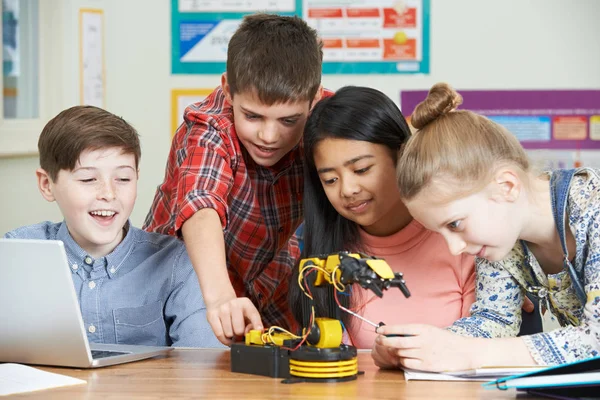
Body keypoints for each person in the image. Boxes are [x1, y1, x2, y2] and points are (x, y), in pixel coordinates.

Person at [376, 82, 600, 371]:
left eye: (455, 224)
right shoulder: (504, 237)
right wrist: (415, 348)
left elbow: (596, 339)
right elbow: (494, 320)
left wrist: (471, 355)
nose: (455, 248)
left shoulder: (593, 208)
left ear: (507, 186)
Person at [144, 13, 327, 345]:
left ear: (313, 100)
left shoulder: (329, 119)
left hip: (267, 275)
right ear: (228, 89)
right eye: (252, 116)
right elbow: (201, 203)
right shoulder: (207, 129)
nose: (269, 135)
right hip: (186, 278)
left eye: (288, 120)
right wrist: (219, 298)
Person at [288, 86, 476, 367]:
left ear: (401, 155)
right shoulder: (319, 255)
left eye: (361, 169)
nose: (348, 190)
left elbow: (486, 347)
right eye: (330, 180)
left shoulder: (465, 239)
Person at [4, 105, 222, 348]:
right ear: (47, 184)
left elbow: (204, 364)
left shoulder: (175, 262)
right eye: (88, 179)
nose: (108, 193)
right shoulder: (16, 254)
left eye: (123, 179)